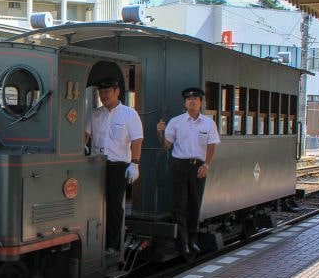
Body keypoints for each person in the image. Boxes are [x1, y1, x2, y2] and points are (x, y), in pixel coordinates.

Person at [157, 88, 220, 258]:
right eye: (188, 99)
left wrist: (206, 165)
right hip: (179, 165)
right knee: (180, 205)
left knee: (194, 203)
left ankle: (193, 240)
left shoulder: (208, 123)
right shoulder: (176, 122)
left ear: (201, 102)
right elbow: (167, 146)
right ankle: (182, 243)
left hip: (198, 165)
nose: (191, 101)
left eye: (195, 99)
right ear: (184, 103)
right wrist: (160, 132)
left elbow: (212, 145)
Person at [84, 76, 144, 258]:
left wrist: (135, 163)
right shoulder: (95, 113)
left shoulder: (129, 114)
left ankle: (113, 245)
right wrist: (81, 148)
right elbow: (85, 134)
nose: (104, 96)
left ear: (117, 91)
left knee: (114, 205)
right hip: (96, 164)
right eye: (101, 93)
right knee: (92, 204)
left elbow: (137, 140)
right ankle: (95, 241)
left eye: (107, 92)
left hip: (118, 165)